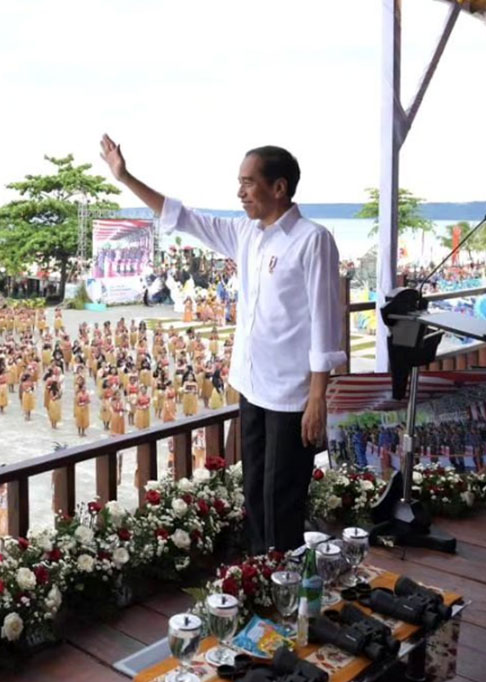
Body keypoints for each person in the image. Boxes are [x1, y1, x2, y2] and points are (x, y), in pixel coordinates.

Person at [100, 135, 345, 552]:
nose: (240, 192)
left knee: (282, 498)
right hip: (252, 386)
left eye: (249, 182)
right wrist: (125, 177)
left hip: (291, 395)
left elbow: (325, 320)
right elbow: (183, 216)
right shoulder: (246, 235)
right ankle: (262, 576)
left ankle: (285, 587)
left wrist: (317, 396)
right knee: (254, 493)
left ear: (279, 187)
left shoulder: (311, 239)